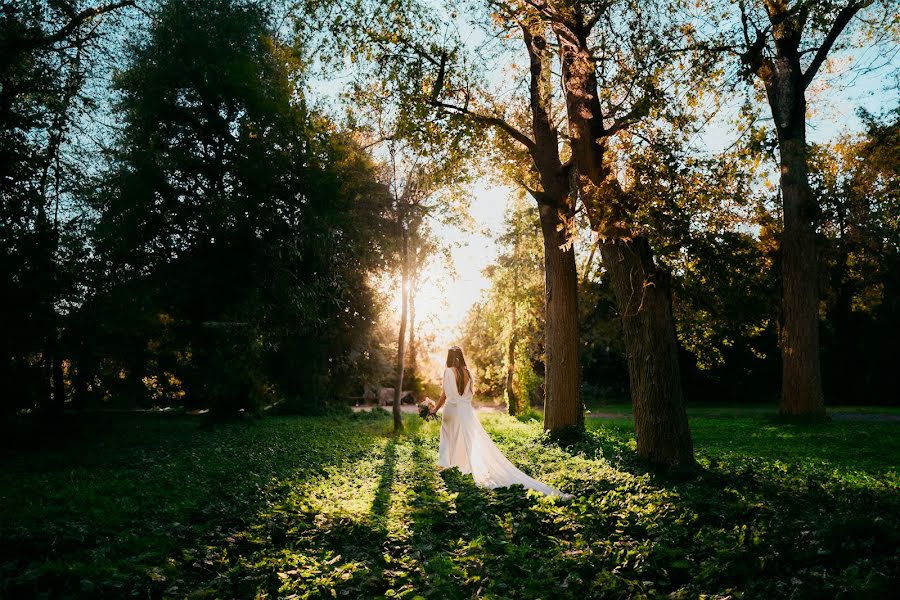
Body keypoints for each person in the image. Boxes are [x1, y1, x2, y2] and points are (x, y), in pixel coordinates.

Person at [430, 346, 571, 499]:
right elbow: (468, 394)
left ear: (449, 357)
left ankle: (446, 465)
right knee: (466, 440)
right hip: (466, 411)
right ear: (461, 356)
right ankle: (463, 466)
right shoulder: (468, 373)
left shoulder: (448, 371)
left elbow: (445, 394)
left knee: (449, 437)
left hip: (452, 410)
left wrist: (433, 409)